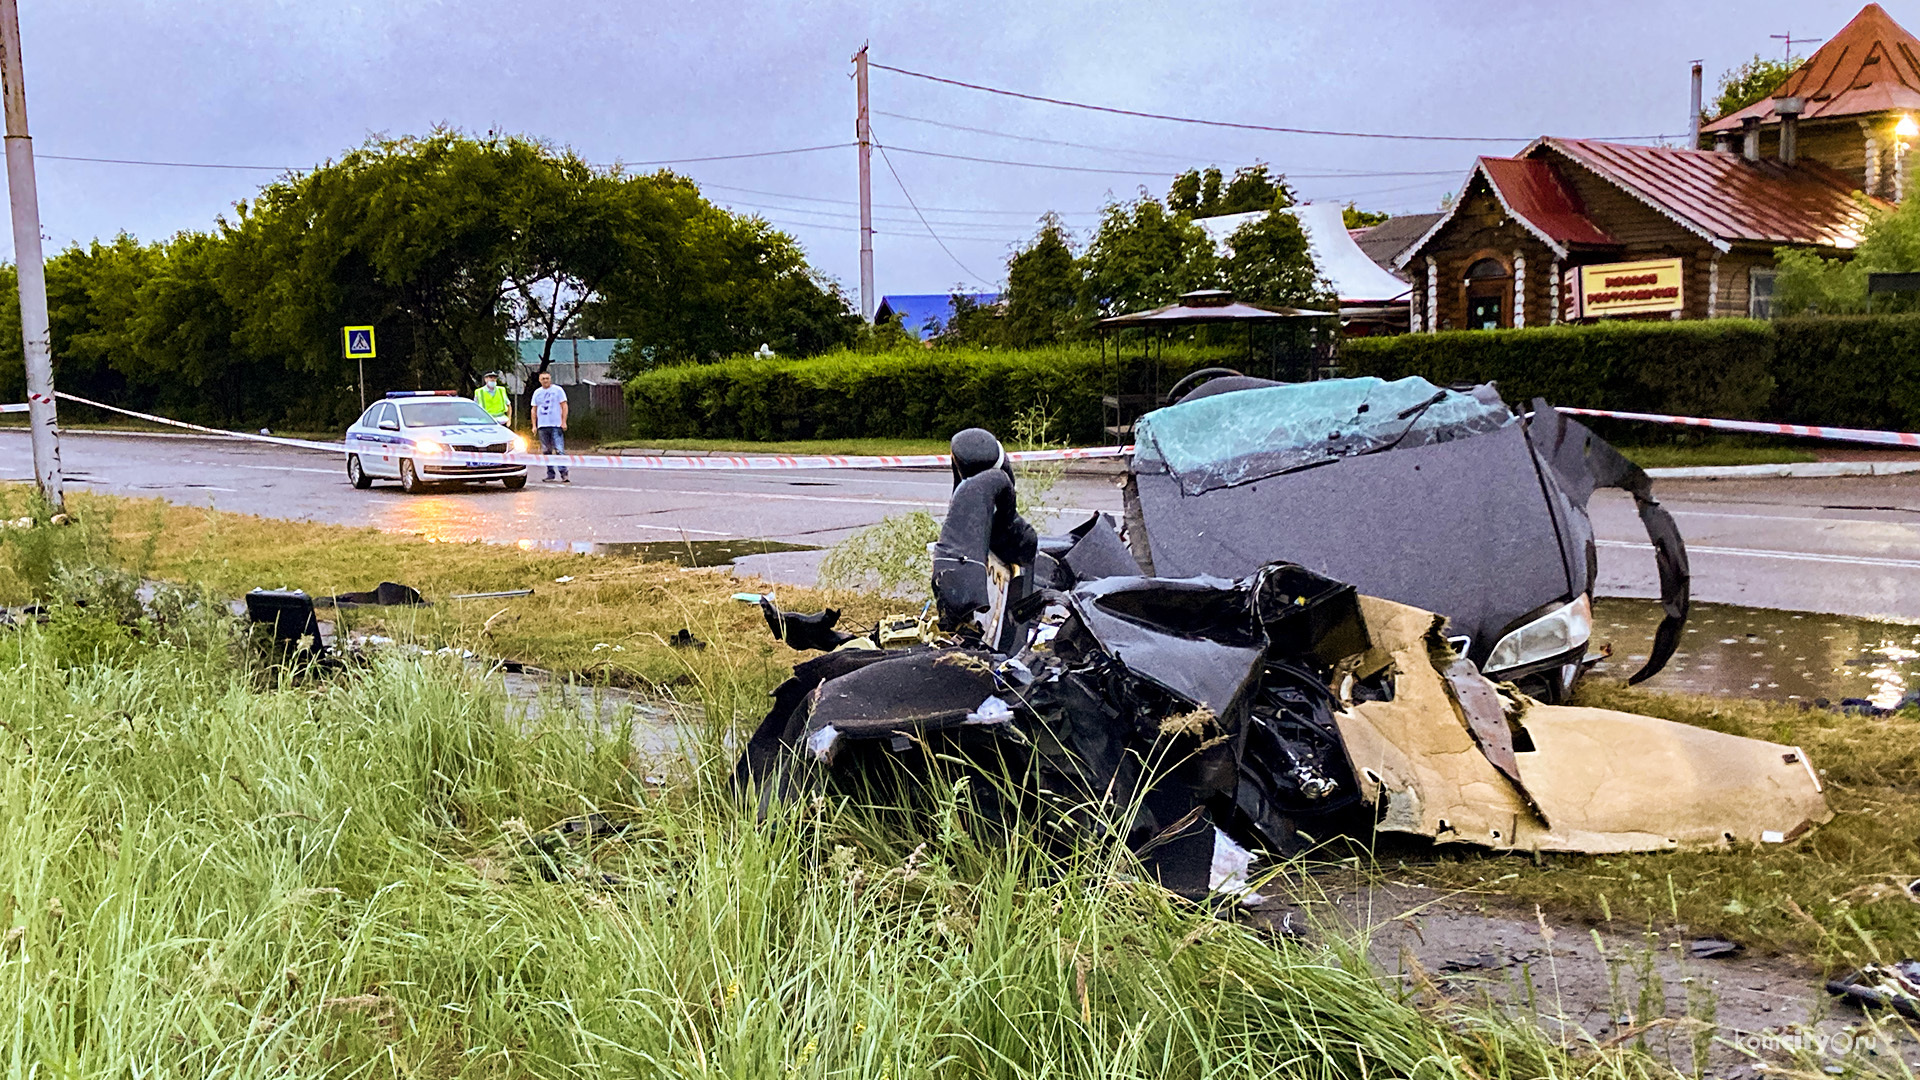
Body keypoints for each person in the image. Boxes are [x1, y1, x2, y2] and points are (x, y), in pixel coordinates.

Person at [530, 370, 569, 483]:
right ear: (539, 380)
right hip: (543, 425)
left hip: (556, 425)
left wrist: (564, 421)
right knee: (546, 451)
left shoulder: (558, 390)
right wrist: (534, 425)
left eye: (547, 378)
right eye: (543, 379)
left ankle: (564, 473)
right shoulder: (537, 393)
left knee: (559, 449)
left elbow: (564, 406)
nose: (545, 380)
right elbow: (534, 409)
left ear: (550, 379)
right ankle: (550, 474)